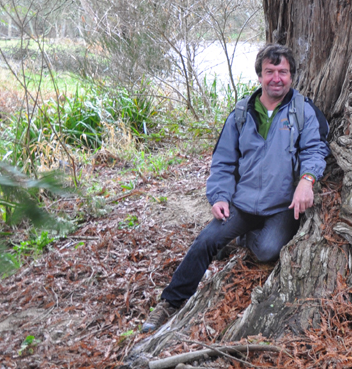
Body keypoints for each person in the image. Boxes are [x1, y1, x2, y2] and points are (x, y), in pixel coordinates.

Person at [141, 44, 330, 332]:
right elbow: (223, 161)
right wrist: (219, 196)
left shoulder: (303, 111)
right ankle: (169, 303)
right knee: (206, 242)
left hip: (281, 207)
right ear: (260, 76)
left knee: (267, 250)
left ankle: (242, 239)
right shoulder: (241, 113)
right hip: (242, 205)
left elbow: (315, 150)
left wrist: (307, 180)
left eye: (283, 72)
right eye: (270, 72)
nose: (276, 78)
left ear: (292, 76)